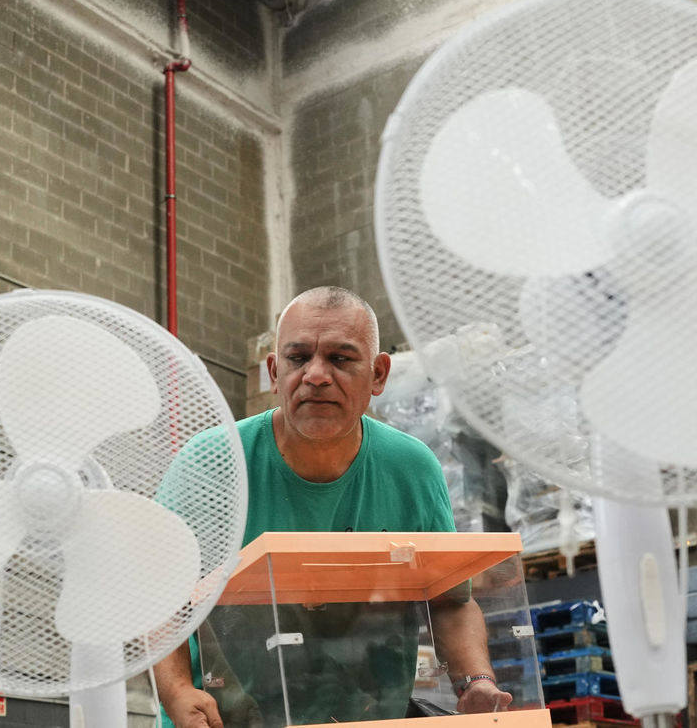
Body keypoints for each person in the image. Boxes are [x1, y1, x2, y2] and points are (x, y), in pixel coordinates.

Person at [155, 286, 511, 728]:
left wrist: (476, 680)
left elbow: (450, 602)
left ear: (379, 375)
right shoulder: (212, 461)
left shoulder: (412, 468)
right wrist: (177, 690)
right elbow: (162, 592)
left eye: (341, 359)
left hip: (364, 717)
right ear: (273, 371)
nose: (317, 376)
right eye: (298, 358)